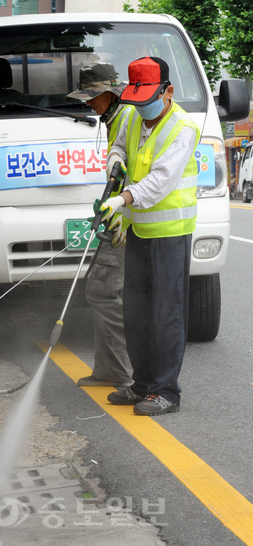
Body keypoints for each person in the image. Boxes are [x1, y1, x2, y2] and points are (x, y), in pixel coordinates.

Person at [98, 57, 200, 415]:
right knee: (136, 310)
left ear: (167, 92)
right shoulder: (133, 118)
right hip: (139, 230)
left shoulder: (183, 128)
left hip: (170, 233)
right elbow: (120, 148)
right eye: (136, 101)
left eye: (148, 100)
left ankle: (166, 391)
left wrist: (121, 198)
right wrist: (114, 164)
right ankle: (141, 385)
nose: (142, 108)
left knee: (165, 313)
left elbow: (159, 182)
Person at [65, 61, 133, 387]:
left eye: (93, 95)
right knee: (101, 290)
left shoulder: (126, 120)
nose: (88, 103)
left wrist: (117, 213)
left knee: (104, 293)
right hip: (119, 219)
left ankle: (122, 373)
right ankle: (108, 370)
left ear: (110, 91)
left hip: (127, 225)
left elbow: (135, 179)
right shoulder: (114, 118)